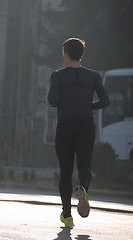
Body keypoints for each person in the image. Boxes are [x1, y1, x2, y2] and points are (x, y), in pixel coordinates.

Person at [47, 38, 109, 227]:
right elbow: (105, 101)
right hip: (85, 125)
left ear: (66, 53)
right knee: (84, 166)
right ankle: (83, 188)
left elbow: (52, 100)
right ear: (81, 54)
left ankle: (67, 215)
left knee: (65, 171)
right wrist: (87, 106)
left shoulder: (57, 75)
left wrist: (63, 102)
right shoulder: (94, 76)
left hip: (65, 125)